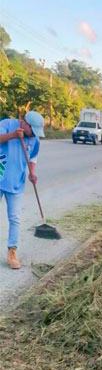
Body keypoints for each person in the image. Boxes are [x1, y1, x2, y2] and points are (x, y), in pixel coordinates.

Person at [0, 111, 44, 270]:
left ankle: (12, 251)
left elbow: (33, 158)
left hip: (16, 182)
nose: (35, 135)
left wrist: (32, 172)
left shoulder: (35, 139)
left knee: (15, 218)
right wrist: (12, 135)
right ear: (25, 124)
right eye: (33, 130)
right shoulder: (6, 125)